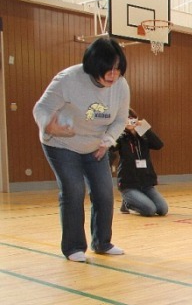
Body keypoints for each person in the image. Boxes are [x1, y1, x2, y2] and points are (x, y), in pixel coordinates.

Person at [32, 37, 129, 263]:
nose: (113, 75)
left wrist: (107, 140)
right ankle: (74, 247)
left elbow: (121, 120)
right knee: (74, 190)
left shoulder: (121, 86)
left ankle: (102, 242)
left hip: (95, 146)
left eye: (118, 69)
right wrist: (48, 125)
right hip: (62, 143)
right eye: (108, 69)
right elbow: (41, 108)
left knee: (104, 193)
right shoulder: (68, 79)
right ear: (93, 66)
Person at [112, 109, 168, 217]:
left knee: (162, 209)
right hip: (129, 185)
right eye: (126, 119)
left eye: (132, 119)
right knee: (150, 210)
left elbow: (159, 145)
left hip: (146, 184)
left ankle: (136, 200)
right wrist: (118, 130)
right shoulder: (121, 137)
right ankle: (128, 203)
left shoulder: (143, 136)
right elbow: (110, 147)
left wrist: (145, 128)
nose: (130, 121)